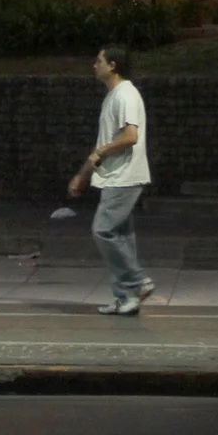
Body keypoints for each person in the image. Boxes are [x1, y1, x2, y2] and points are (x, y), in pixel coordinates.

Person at [67, 44, 153, 315]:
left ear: (113, 65)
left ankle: (137, 281)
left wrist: (99, 155)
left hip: (124, 176)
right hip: (115, 175)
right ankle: (125, 298)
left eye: (99, 60)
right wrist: (85, 174)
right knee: (121, 236)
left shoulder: (126, 95)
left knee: (102, 230)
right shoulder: (113, 96)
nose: (95, 65)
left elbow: (130, 137)